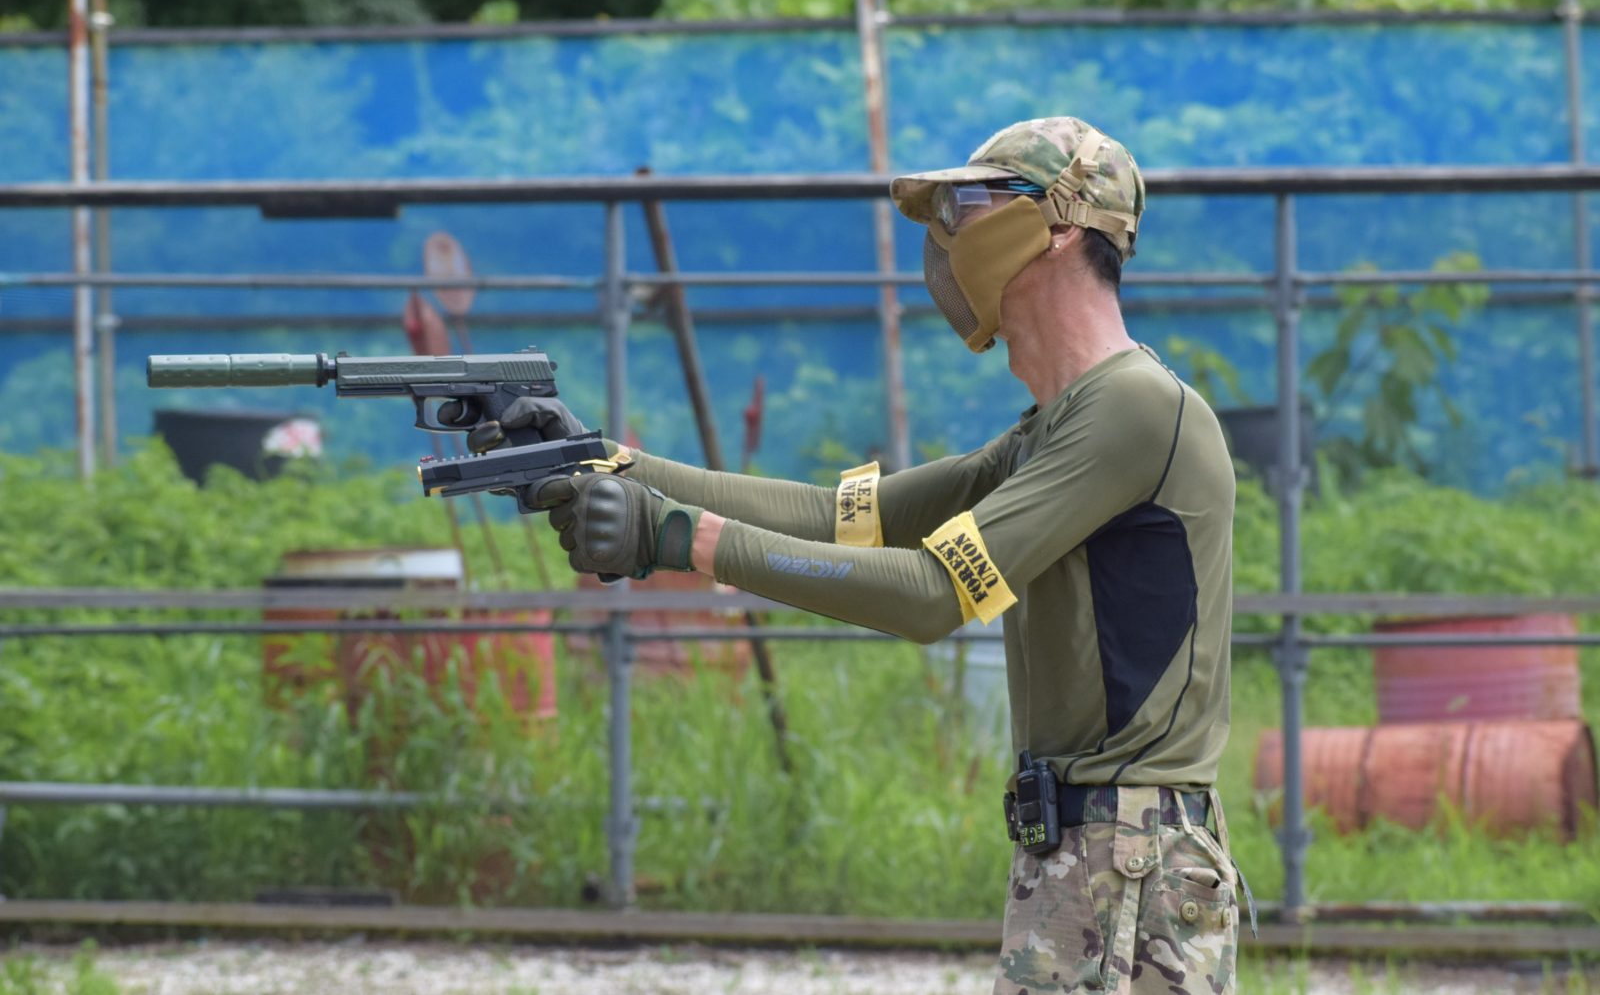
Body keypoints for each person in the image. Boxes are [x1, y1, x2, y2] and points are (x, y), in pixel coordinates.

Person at [476, 116, 1247, 994]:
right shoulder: (1053, 428)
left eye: (972, 205)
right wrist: (603, 461)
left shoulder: (1134, 407)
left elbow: (931, 593)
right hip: (1094, 855)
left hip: (1132, 864)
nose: (949, 232)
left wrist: (680, 537)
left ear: (1064, 223)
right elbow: (845, 520)